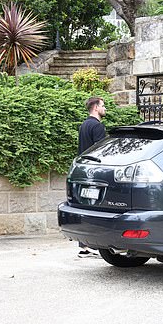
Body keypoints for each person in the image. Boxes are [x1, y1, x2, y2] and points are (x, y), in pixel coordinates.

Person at [77, 96, 106, 257]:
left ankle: (84, 245)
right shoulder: (97, 126)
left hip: (83, 170)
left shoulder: (84, 125)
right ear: (95, 107)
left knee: (85, 207)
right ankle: (93, 245)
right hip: (95, 172)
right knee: (96, 208)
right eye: (103, 106)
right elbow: (101, 151)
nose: (105, 108)